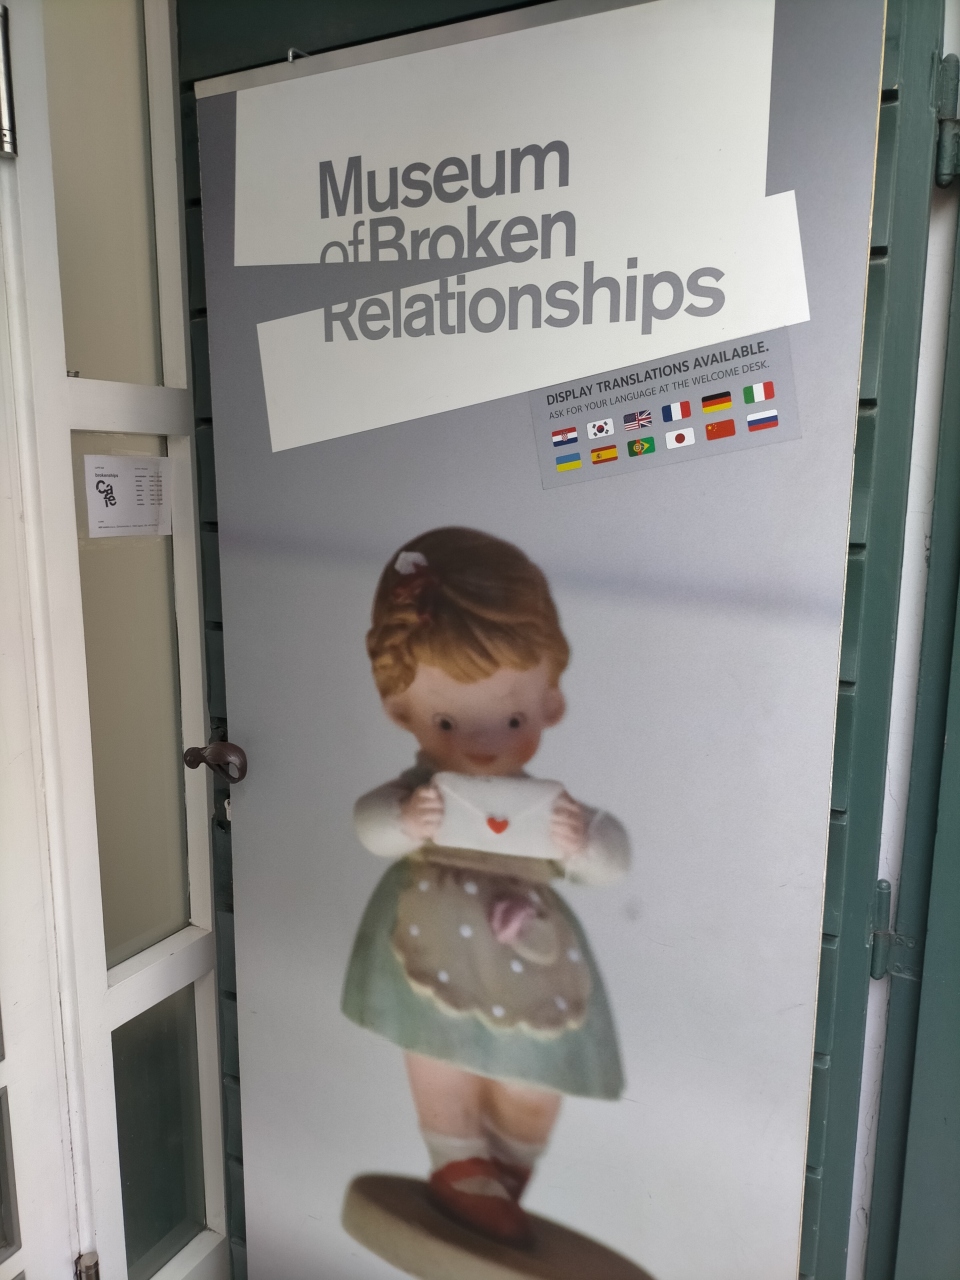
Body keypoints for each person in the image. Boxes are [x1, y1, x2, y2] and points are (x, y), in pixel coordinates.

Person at [342, 526, 629, 1246]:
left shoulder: (549, 808)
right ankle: (458, 1162)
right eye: (446, 719)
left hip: (530, 953)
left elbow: (611, 858)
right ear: (400, 710)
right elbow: (370, 824)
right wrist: (406, 821)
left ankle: (509, 1164)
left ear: (550, 701)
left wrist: (581, 841)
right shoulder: (423, 793)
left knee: (534, 1078)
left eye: (511, 717)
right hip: (431, 930)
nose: (481, 741)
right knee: (439, 1051)